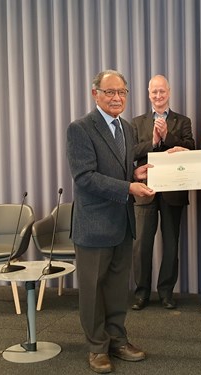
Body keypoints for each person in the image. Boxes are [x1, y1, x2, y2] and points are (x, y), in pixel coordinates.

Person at [66, 70, 155, 374]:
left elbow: (120, 170)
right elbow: (85, 177)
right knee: (92, 291)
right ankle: (96, 347)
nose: (117, 98)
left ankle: (117, 338)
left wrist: (135, 175)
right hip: (93, 225)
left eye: (122, 92)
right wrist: (128, 187)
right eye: (110, 92)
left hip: (122, 222)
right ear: (95, 94)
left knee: (118, 289)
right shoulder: (80, 129)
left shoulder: (127, 129)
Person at [131, 75, 195, 311]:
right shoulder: (137, 123)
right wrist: (154, 142)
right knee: (141, 246)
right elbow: (131, 152)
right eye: (154, 92)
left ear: (169, 92)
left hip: (173, 191)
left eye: (162, 91)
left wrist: (167, 136)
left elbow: (191, 147)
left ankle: (166, 292)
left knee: (171, 244)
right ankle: (141, 294)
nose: (158, 96)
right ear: (148, 94)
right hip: (144, 190)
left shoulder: (183, 121)